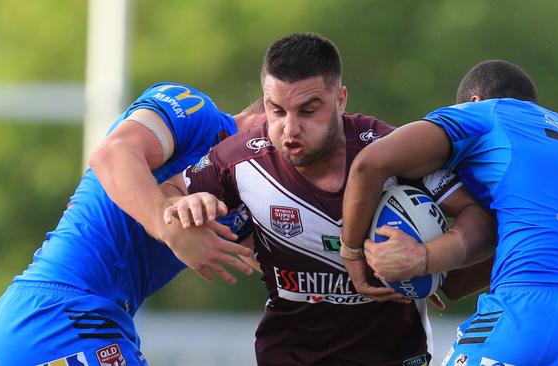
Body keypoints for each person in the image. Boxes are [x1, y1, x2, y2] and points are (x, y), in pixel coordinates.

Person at [162, 33, 495, 365]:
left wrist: (426, 258)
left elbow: (478, 216)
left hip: (394, 356)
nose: (290, 129)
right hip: (288, 356)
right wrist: (179, 206)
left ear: (340, 100)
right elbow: (170, 189)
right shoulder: (240, 160)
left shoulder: (390, 150)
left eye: (308, 111)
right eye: (276, 110)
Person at [340, 60, 558, 365]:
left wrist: (352, 254)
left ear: (473, 102)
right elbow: (458, 284)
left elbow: (370, 164)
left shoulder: (486, 113)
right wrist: (433, 266)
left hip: (534, 312)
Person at [0, 82, 264, 365]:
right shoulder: (196, 112)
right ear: (271, 115)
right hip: (62, 313)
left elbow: (293, 273)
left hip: (79, 320)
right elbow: (112, 154)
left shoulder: (252, 197)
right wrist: (168, 227)